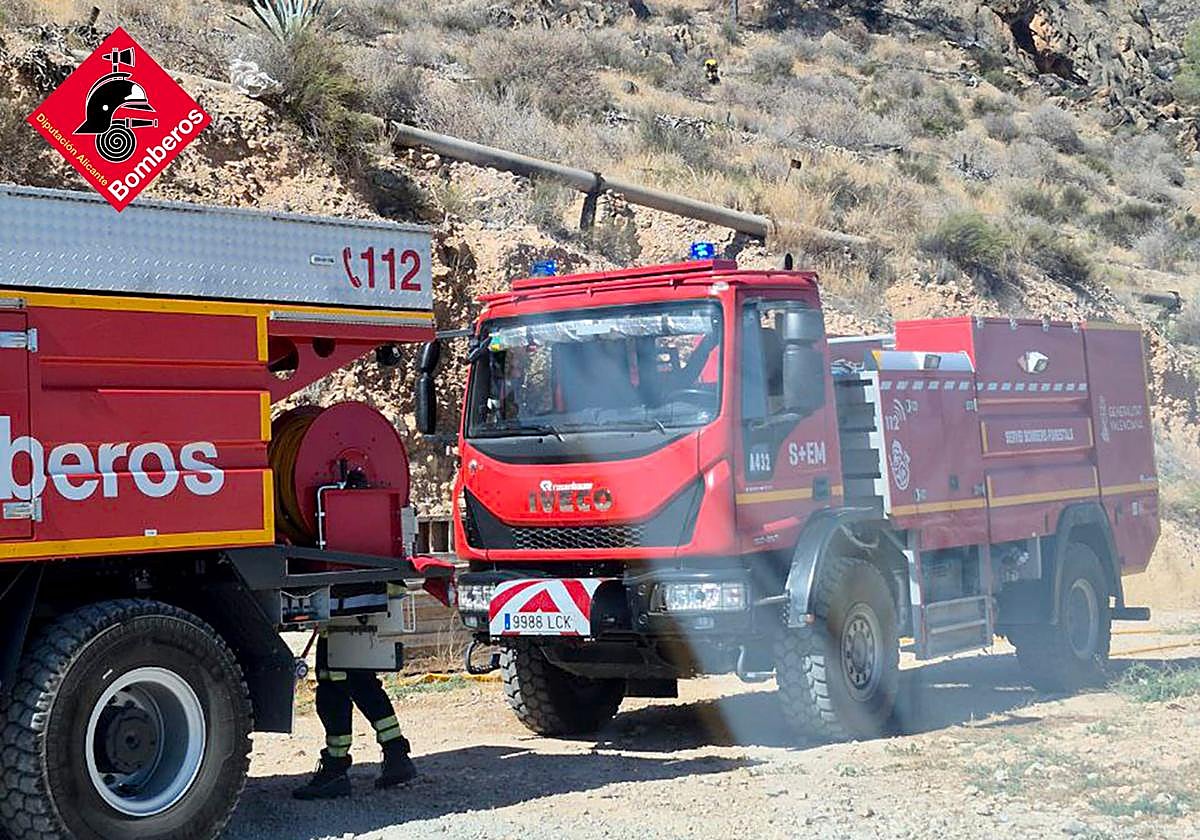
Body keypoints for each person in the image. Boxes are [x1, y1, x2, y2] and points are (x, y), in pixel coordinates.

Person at [292, 632, 416, 800]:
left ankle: (335, 771)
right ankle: (396, 756)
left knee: (332, 688)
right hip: (356, 625)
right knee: (363, 684)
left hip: (338, 626)